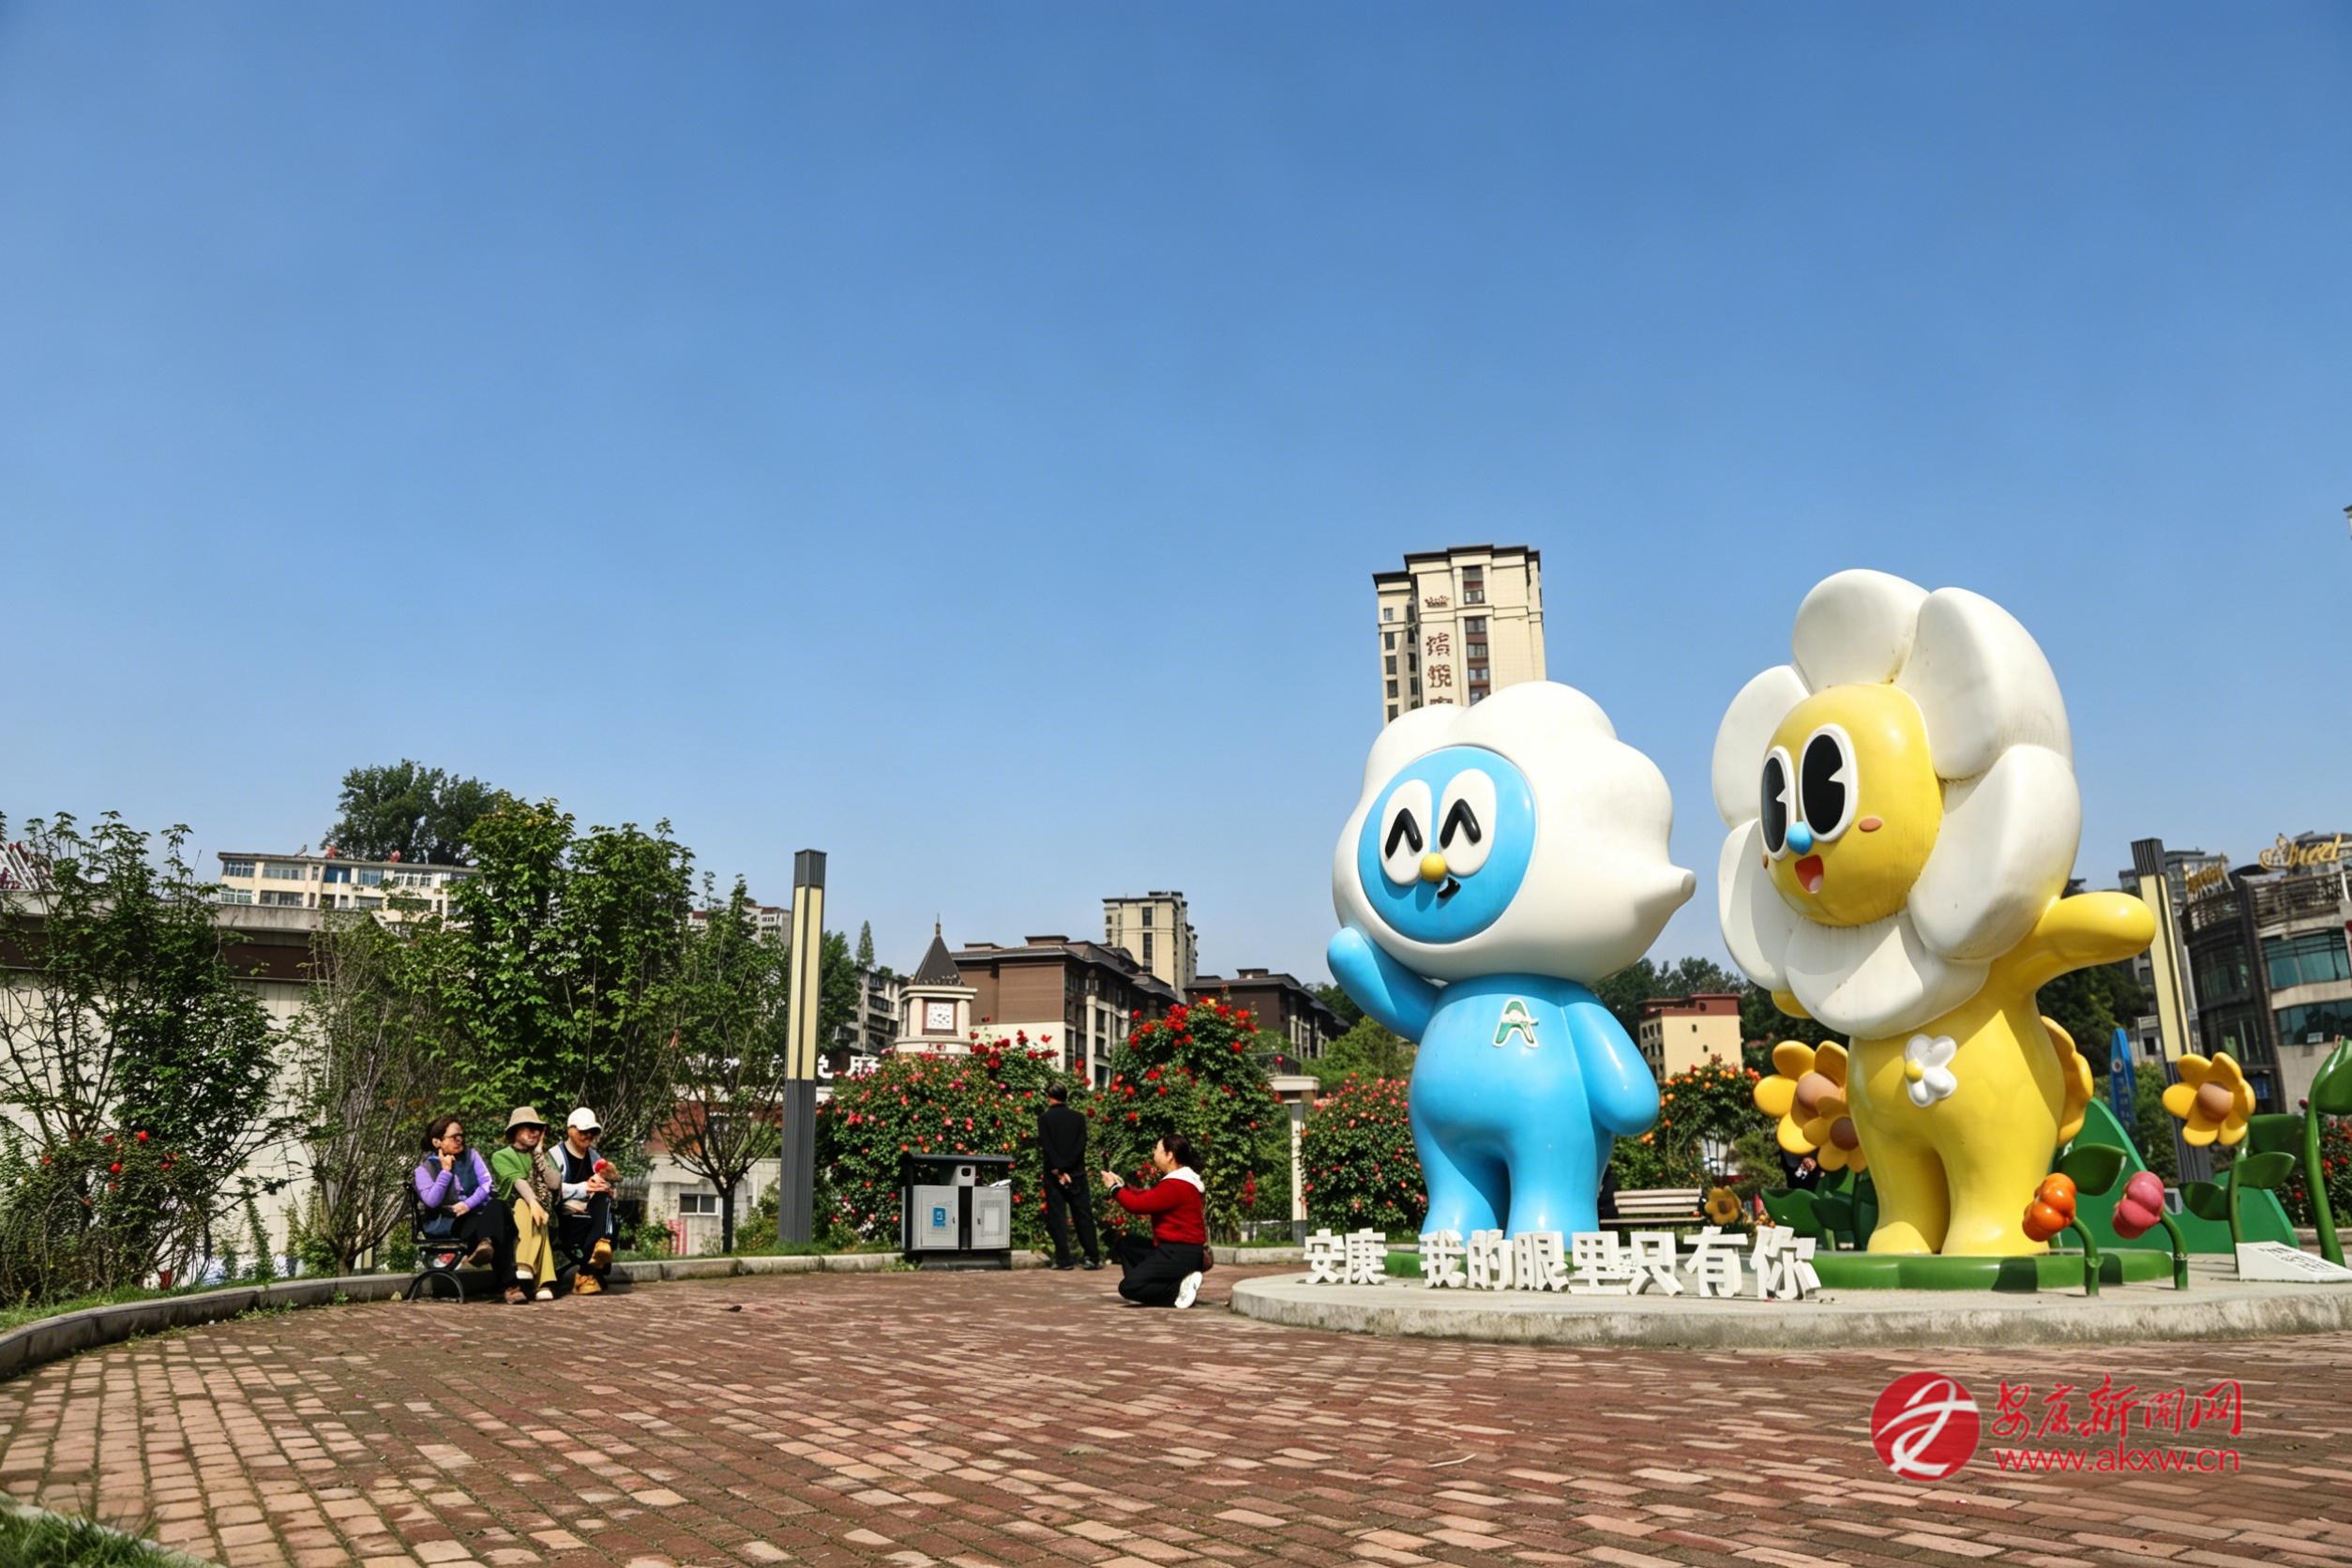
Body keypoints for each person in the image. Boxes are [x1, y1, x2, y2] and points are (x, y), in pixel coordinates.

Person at [414, 1115, 523, 1304]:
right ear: (437, 1142)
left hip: (479, 1215)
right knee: (500, 1228)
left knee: (497, 1205)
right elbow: (432, 1201)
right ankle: (510, 1286)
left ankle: (486, 1243)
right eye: (453, 1137)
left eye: (461, 1136)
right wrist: (445, 1172)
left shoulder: (471, 1155)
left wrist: (468, 1204)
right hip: (452, 1223)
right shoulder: (424, 1170)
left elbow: (486, 1185)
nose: (460, 1140)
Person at [1098, 1133, 1208, 1309]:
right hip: (1176, 1250)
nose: (1154, 1153)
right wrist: (1123, 1187)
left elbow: (1136, 1205)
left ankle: (1175, 1290)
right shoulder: (1180, 1181)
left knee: (1128, 1287)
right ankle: (1150, 1286)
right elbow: (1148, 1197)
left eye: (1157, 1149)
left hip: (1178, 1253)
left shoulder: (1175, 1185)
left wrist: (1113, 1188)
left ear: (1169, 1155)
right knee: (1126, 1244)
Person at [490, 1107, 561, 1301]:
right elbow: (517, 1182)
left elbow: (555, 1183)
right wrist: (533, 1202)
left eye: (538, 1129)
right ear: (515, 1130)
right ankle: (541, 1280)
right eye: (529, 1127)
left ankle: (527, 1270)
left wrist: (538, 1154)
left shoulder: (543, 1156)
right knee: (525, 1206)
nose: (535, 1132)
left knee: (540, 1215)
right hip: (513, 1213)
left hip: (546, 1214)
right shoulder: (502, 1155)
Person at [552, 1107, 618, 1294]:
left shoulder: (594, 1156)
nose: (587, 1135)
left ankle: (592, 1261)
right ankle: (589, 1268)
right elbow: (550, 1189)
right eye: (583, 1131)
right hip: (566, 1216)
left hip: (593, 1213)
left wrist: (607, 1189)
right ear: (570, 1130)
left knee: (605, 1201)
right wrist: (584, 1188)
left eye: (592, 1132)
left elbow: (604, 1182)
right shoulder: (555, 1155)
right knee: (609, 1224)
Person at [1037, 1085, 1102, 1272]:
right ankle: (1092, 1256)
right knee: (1083, 1215)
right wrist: (1068, 1168)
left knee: (1057, 1217)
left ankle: (1064, 1259)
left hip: (1054, 1175)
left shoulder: (1044, 1119)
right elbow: (1081, 1145)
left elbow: (1047, 1146)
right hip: (1077, 1173)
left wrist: (1059, 1170)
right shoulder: (1078, 1118)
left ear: (1050, 1097)